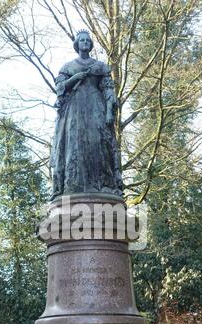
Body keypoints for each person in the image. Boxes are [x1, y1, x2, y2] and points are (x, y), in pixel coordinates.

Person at [50, 29, 123, 199]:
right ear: (77, 44)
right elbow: (60, 88)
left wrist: (109, 111)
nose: (84, 42)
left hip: (96, 108)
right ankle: (74, 185)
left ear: (90, 45)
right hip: (74, 111)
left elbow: (108, 89)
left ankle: (103, 184)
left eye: (87, 40)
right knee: (75, 145)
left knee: (99, 143)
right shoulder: (68, 67)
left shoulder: (100, 66)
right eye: (81, 40)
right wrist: (75, 78)